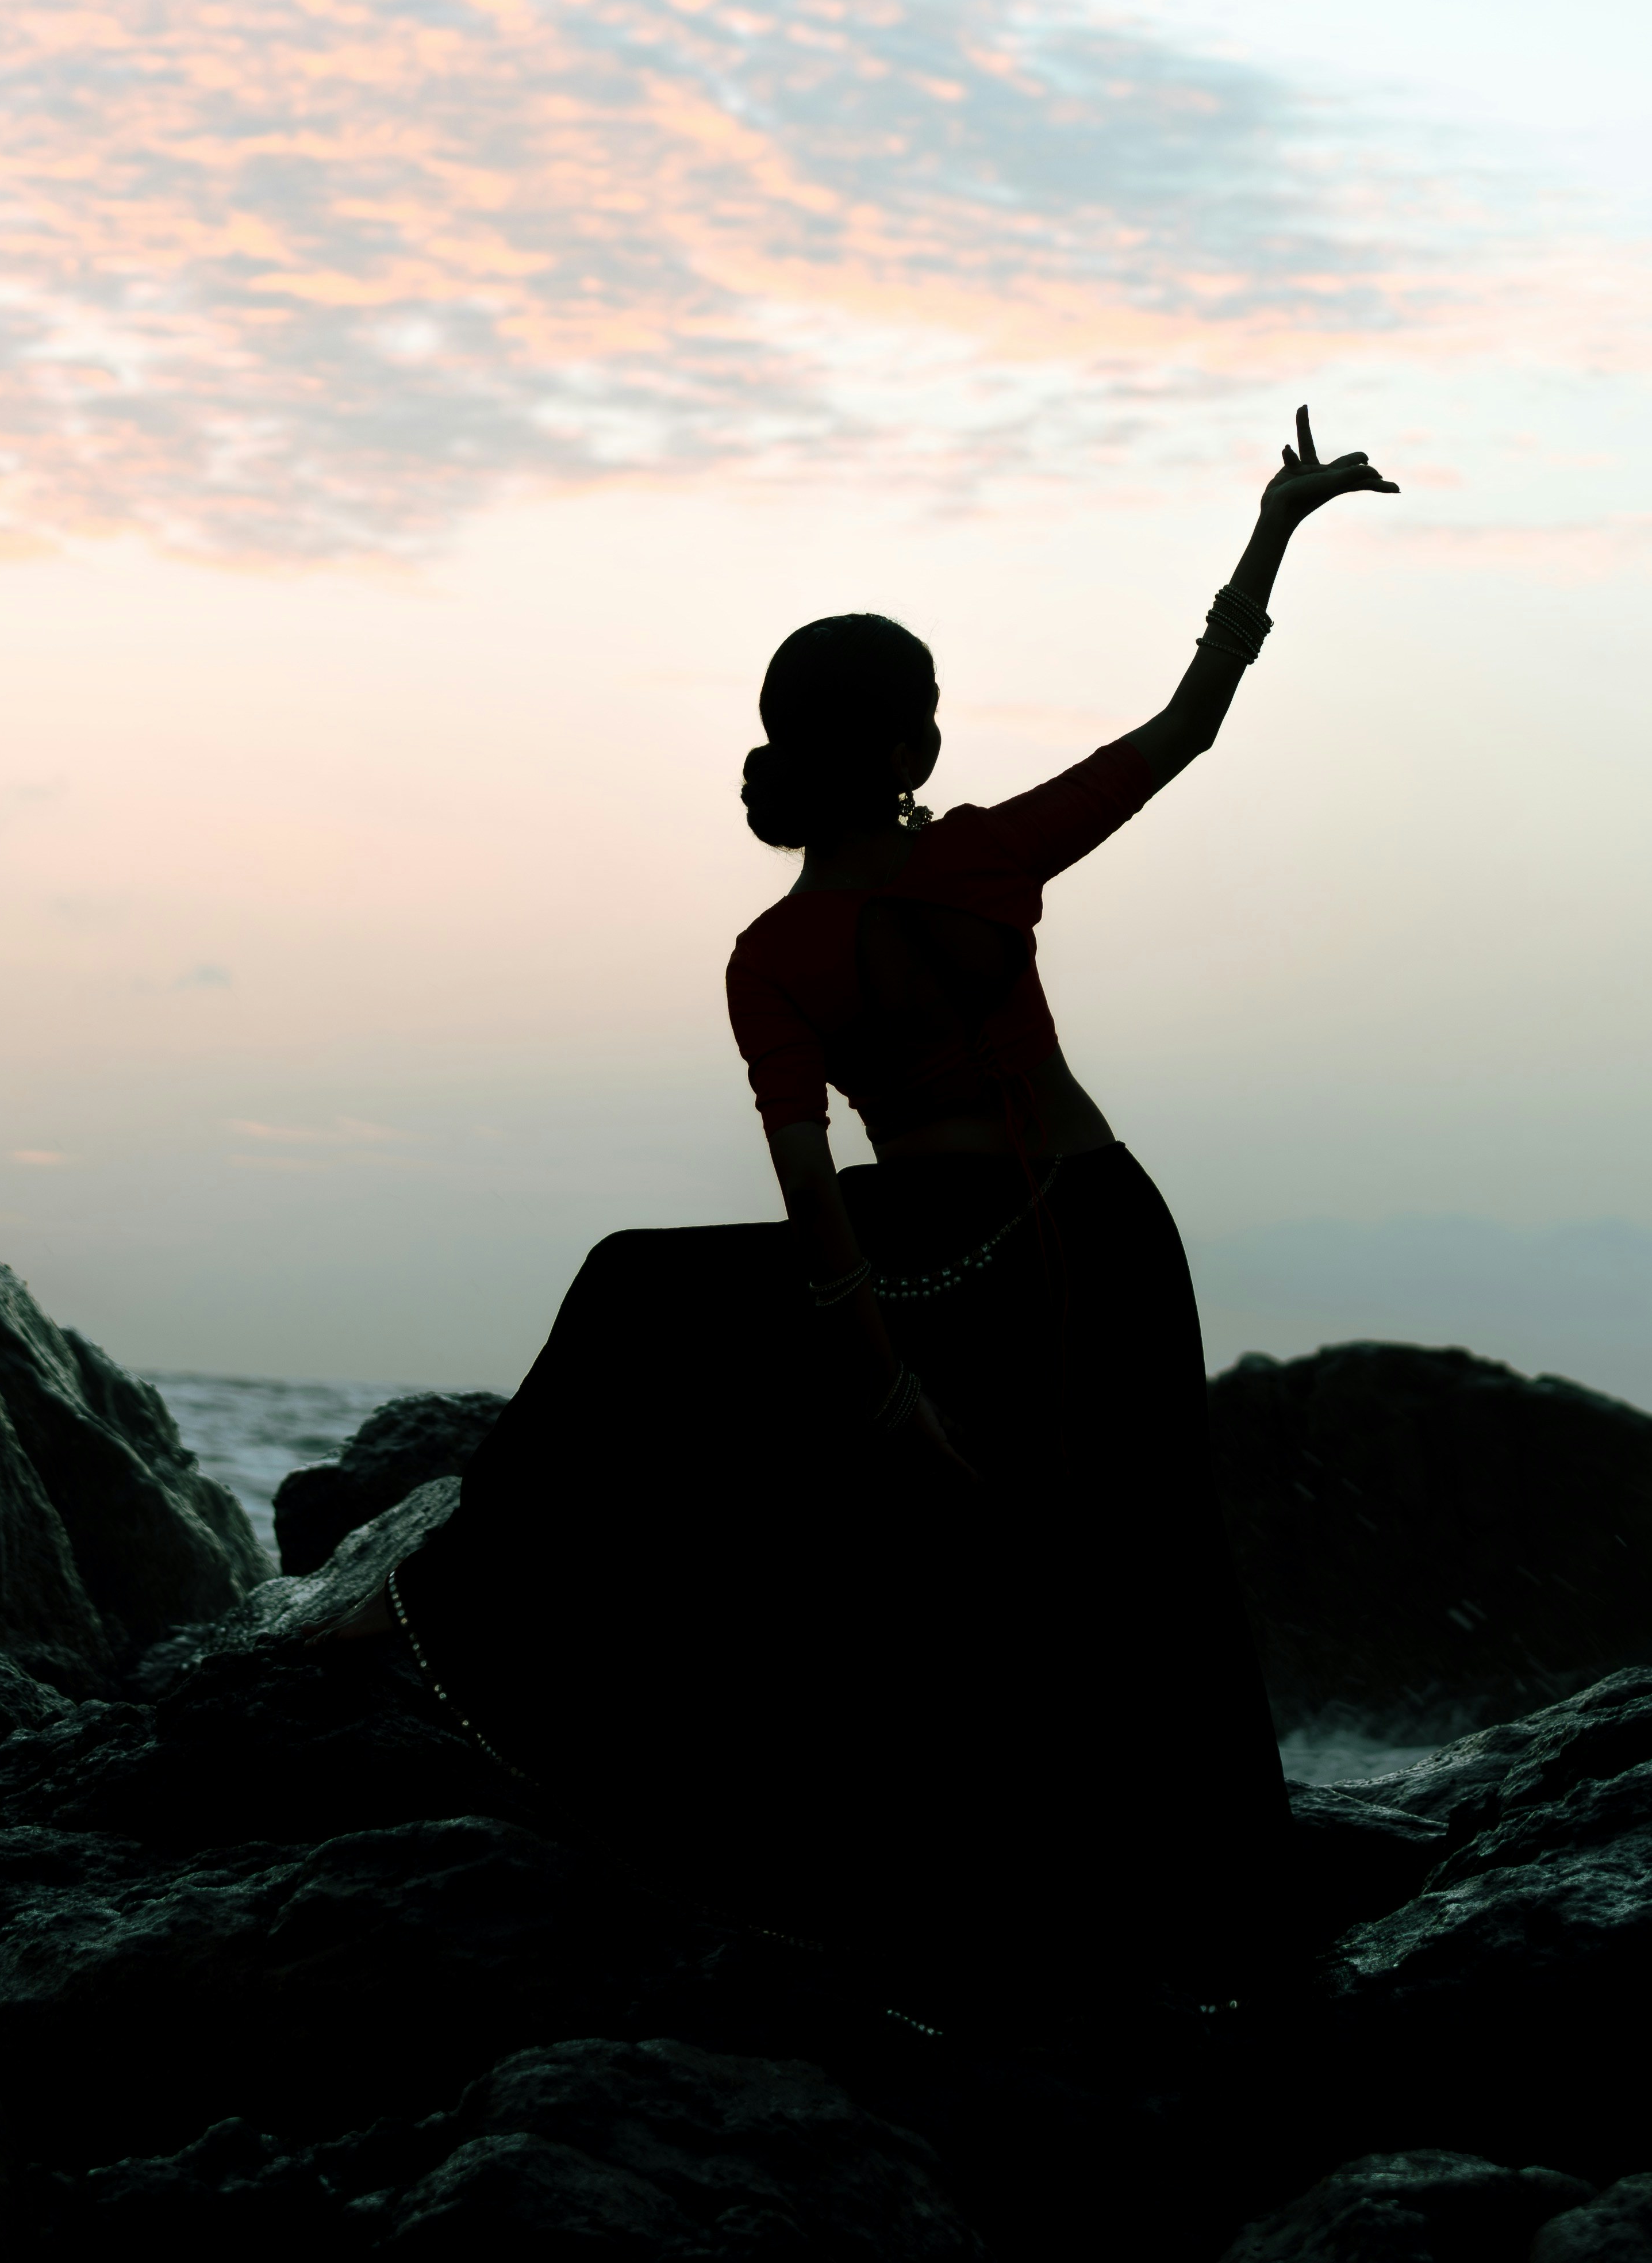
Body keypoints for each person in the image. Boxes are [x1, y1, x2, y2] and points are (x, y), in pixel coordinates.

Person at [368, 406, 1397, 2023]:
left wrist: (884, 1384)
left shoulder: (790, 944)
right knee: (1116, 1571)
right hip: (1066, 1241)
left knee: (1017, 1538)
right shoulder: (964, 867)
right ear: (907, 750)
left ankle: (1089, 1919)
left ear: (796, 751)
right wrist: (1275, 530)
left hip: (989, 1262)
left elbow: (804, 1198)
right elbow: (1193, 718)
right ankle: (1105, 1922)